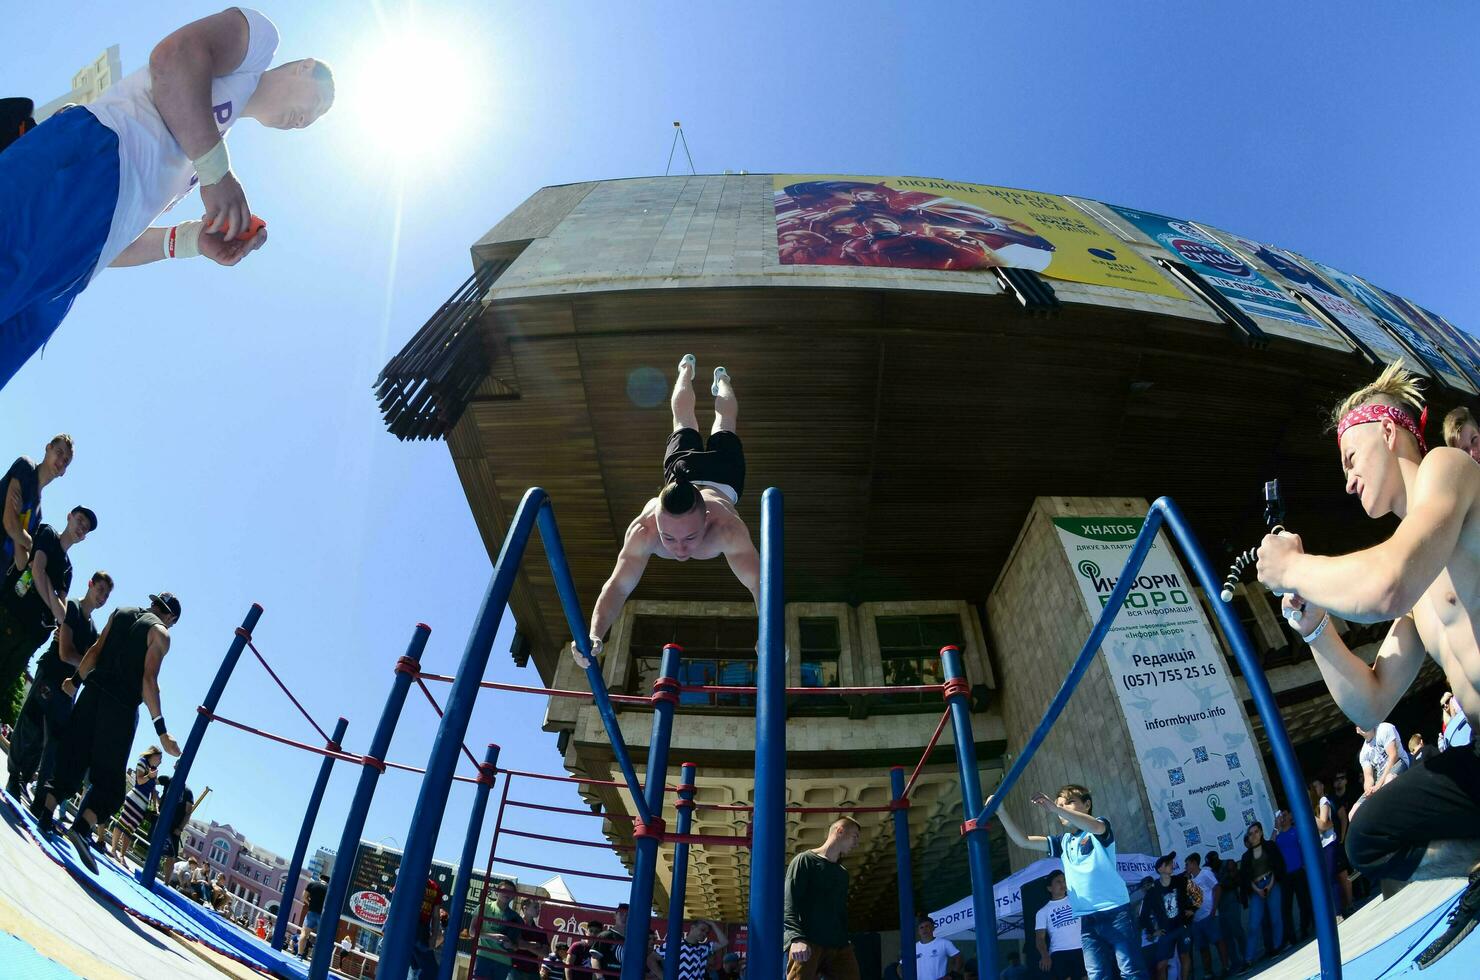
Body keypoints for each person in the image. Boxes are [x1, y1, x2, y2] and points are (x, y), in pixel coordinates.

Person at [1257, 362, 1480, 966]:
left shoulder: (1449, 468)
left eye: (1351, 459)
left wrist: (1293, 569)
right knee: (1372, 835)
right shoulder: (1420, 585)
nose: (1349, 482)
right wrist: (1316, 630)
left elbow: (1385, 585)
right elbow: (1373, 698)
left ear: (1387, 430)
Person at [0, 9, 337, 389]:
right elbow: (173, 56)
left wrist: (190, 239)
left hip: (76, 269)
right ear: (305, 67)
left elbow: (117, 240)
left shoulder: (200, 153)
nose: (308, 120)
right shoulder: (260, 45)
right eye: (319, 104)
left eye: (316, 120)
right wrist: (215, 172)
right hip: (90, 160)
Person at [570, 356, 758, 670]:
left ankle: (723, 380)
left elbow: (759, 584)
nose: (679, 548)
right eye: (669, 536)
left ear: (707, 520)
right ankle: (685, 370)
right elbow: (617, 586)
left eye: (690, 537)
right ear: (656, 520)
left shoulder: (727, 529)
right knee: (683, 420)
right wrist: (595, 634)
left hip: (722, 477)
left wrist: (771, 634)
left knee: (724, 423)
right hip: (683, 474)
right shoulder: (644, 530)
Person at [32, 591, 183, 874]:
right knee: (110, 780)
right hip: (120, 707)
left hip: (93, 692)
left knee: (72, 756)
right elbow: (148, 680)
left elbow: (95, 651)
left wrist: (76, 681)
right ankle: (82, 827)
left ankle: (46, 809)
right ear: (171, 617)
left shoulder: (121, 611)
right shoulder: (161, 633)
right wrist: (161, 730)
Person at [990, 784, 1147, 980]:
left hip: (1116, 912)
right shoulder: (1062, 842)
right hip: (1088, 919)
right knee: (1096, 974)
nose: (1061, 808)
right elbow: (1023, 841)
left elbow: (1094, 826)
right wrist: (1001, 812)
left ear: (1087, 804)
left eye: (1069, 802)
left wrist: (1055, 807)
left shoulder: (1098, 827)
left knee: (1131, 971)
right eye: (1059, 805)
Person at [6, 568, 111, 797]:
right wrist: (86, 665)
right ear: (90, 584)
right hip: (50, 674)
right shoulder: (71, 608)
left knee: (49, 737)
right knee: (30, 725)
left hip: (66, 690)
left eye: (106, 595)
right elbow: (65, 653)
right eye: (100, 590)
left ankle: (24, 778)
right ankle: (13, 775)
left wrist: (87, 665)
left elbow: (87, 660)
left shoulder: (93, 629)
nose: (102, 597)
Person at [0, 506, 95, 697]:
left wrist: (44, 580)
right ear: (69, 517)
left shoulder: (68, 570)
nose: (82, 527)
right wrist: (42, 579)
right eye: (80, 520)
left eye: (86, 528)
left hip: (31, 637)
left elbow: (62, 614)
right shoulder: (48, 534)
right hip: (10, 615)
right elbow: (36, 571)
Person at [783, 817, 863, 979]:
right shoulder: (804, 860)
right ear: (839, 831)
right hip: (807, 942)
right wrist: (796, 938)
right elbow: (789, 903)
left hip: (839, 945)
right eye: (855, 836)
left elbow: (840, 912)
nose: (856, 844)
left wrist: (845, 939)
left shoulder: (842, 874)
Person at [2, 436, 72, 572]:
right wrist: (28, 541)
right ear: (48, 448)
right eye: (59, 452)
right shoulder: (26, 467)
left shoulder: (38, 514)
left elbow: (21, 562)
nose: (61, 462)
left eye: (66, 461)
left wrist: (19, 529)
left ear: (64, 472)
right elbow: (9, 523)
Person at [1138, 853, 1192, 980]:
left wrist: (1192, 910)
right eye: (1167, 864)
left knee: (1185, 956)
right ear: (1160, 869)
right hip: (1166, 932)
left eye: (1171, 863)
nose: (1171, 865)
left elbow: (1197, 894)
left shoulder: (1180, 881)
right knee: (1161, 965)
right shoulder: (1152, 891)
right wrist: (1153, 931)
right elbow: (1143, 916)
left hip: (1182, 927)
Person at [1238, 822, 1285, 964]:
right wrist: (1257, 889)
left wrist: (1270, 885)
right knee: (1253, 924)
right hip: (1256, 888)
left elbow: (1278, 866)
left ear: (1261, 832)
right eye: (1251, 833)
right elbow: (1245, 878)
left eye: (1256, 831)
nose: (1254, 835)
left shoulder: (1270, 846)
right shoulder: (1246, 856)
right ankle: (1248, 959)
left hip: (1272, 883)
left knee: (1276, 918)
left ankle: (1277, 947)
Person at [110, 746, 163, 862]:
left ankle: (122, 855)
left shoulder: (153, 769)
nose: (160, 761)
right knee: (123, 822)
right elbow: (139, 781)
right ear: (153, 755)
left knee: (131, 829)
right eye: (159, 758)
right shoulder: (142, 762)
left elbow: (153, 790)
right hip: (134, 798)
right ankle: (113, 849)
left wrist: (155, 806)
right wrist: (149, 776)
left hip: (143, 803)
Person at [1034, 871, 1086, 980]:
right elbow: (1040, 938)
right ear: (1049, 888)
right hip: (1059, 952)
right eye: (1058, 882)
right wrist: (1044, 955)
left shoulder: (1077, 899)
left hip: (1082, 948)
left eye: (1064, 881)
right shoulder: (1042, 912)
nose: (1063, 884)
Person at [1271, 810, 1311, 945]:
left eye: (1285, 815)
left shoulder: (1296, 831)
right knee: (1285, 908)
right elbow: (1270, 845)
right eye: (1281, 816)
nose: (1282, 818)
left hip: (1299, 871)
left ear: (1290, 817)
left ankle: (1305, 929)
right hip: (1285, 876)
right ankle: (1291, 936)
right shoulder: (1279, 835)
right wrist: (1276, 826)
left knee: (1303, 902)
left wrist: (1305, 865)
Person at [468, 879, 522, 979]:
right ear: (497, 892)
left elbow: (516, 946)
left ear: (514, 896)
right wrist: (492, 937)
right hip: (484, 956)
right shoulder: (484, 907)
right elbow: (471, 932)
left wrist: (510, 944)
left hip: (504, 961)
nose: (507, 894)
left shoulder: (516, 917)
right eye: (504, 890)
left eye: (510, 892)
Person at [1182, 852, 1225, 975]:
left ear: (1194, 863)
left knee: (1218, 941)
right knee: (1202, 948)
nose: (1186, 867)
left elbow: (1217, 888)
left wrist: (1213, 910)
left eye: (1187, 864)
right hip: (1196, 920)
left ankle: (1225, 967)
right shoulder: (1189, 881)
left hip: (1209, 915)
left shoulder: (1205, 873)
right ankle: (1208, 973)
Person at [648, 918, 727, 980]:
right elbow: (651, 959)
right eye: (702, 930)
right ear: (692, 928)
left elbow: (724, 942)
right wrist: (664, 977)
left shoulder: (705, 947)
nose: (704, 934)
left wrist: (713, 924)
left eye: (707, 933)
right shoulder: (675, 945)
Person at [1356, 721, 1410, 802]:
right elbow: (1368, 777)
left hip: (1399, 763)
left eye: (1363, 721)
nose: (1362, 725)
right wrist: (1369, 790)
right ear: (1357, 730)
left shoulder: (1384, 728)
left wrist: (1378, 785)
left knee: (1389, 780)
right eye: (1359, 725)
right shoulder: (1363, 753)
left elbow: (1393, 756)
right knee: (1353, 811)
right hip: (1380, 779)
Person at [1213, 858, 1248, 974]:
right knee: (1227, 937)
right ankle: (1235, 962)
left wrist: (1223, 883)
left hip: (1232, 902)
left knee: (1237, 932)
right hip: (1221, 907)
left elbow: (1235, 881)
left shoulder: (1228, 863)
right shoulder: (1212, 872)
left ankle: (1247, 958)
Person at [912, 913, 961, 980]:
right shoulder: (913, 948)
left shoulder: (944, 943)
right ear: (918, 931)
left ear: (933, 928)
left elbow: (959, 958)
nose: (924, 929)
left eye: (927, 926)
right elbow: (901, 965)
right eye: (921, 927)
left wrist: (952, 975)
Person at [591, 904, 629, 978]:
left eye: (627, 915)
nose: (624, 917)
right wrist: (600, 978)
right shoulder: (606, 935)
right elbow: (594, 958)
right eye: (621, 914)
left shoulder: (632, 939)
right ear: (615, 916)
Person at [299, 871, 329, 961]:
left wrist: (310, 903)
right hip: (323, 916)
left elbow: (304, 896)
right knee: (321, 938)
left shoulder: (312, 884)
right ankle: (316, 960)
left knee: (304, 933)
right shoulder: (329, 889)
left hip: (311, 912)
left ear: (320, 878)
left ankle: (300, 955)